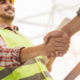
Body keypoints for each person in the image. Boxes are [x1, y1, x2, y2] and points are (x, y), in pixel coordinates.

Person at [0, 0, 70, 80]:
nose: (10, 5)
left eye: (11, 2)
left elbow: (41, 68)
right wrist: (42, 49)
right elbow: (1, 55)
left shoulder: (23, 37)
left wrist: (51, 57)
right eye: (3, 2)